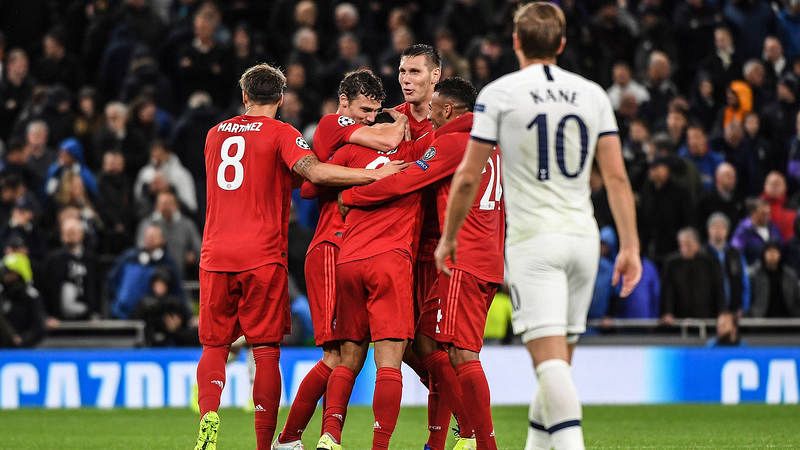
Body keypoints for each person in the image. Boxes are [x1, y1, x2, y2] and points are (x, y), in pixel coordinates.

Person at [434, 4, 641, 450]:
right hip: (584, 240)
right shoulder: (593, 94)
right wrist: (630, 246)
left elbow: (468, 176)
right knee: (558, 365)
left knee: (550, 368)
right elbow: (617, 178)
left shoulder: (500, 93)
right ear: (562, 44)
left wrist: (449, 238)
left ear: (516, 42)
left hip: (535, 244)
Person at [193, 63, 405, 450]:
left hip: (214, 253)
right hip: (261, 254)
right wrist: (374, 175)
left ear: (244, 97)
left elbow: (255, 174)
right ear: (280, 99)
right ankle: (266, 444)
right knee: (266, 350)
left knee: (214, 346)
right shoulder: (282, 134)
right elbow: (314, 173)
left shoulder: (213, 135)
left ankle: (208, 416)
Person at [337, 77, 499, 450]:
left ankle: (478, 439)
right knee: (428, 343)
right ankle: (439, 441)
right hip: (487, 255)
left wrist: (354, 193)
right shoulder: (491, 144)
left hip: (461, 257)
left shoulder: (455, 142)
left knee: (458, 352)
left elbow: (406, 179)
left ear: (446, 109)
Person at [275, 69, 408, 448]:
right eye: (363, 109)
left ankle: (313, 438)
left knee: (349, 354)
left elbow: (310, 186)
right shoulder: (334, 124)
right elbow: (309, 187)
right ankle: (298, 438)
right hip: (334, 247)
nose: (368, 117)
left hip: (355, 251)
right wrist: (396, 124)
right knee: (337, 355)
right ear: (344, 101)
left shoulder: (349, 147)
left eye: (374, 111)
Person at [108, 224, 184, 319]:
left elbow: (178, 292)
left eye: (153, 237)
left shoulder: (168, 264)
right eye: (148, 236)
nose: (150, 240)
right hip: (122, 312)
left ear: (163, 240)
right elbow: (112, 280)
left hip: (152, 315)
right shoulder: (129, 258)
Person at [39, 217, 99, 324]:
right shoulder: (53, 260)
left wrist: (95, 312)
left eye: (73, 232)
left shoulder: (91, 259)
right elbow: (43, 289)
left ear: (81, 234)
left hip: (86, 321)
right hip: (57, 321)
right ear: (62, 235)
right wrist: (46, 316)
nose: (70, 236)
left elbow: (98, 287)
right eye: (67, 232)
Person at [661, 228, 727, 322]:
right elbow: (668, 290)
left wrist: (722, 313)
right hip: (679, 318)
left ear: (697, 244)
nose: (684, 249)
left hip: (706, 317)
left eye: (688, 244)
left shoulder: (710, 262)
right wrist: (667, 312)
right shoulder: (672, 264)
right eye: (681, 245)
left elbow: (719, 289)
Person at [136, 190, 201, 280]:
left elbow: (199, 249)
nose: (165, 207)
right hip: (153, 275)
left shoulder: (187, 224)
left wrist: (192, 255)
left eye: (169, 203)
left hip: (182, 274)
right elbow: (140, 247)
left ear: (176, 205)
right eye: (162, 203)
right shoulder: (148, 224)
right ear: (156, 206)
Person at [706, 213, 750, 315]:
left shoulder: (736, 253)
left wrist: (743, 307)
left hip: (734, 310)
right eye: (715, 227)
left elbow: (744, 281)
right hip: (709, 311)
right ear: (708, 230)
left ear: (727, 231)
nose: (718, 231)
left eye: (722, 227)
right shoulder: (702, 254)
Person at [749, 242, 800, 318]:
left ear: (780, 254)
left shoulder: (790, 275)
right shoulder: (754, 275)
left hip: (789, 319)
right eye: (769, 251)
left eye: (775, 251)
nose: (772, 255)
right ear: (764, 254)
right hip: (760, 320)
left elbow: (797, 297)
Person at [731, 198, 783, 267]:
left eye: (768, 213)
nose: (767, 217)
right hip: (752, 272)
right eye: (763, 214)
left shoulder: (773, 228)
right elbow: (735, 254)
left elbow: (781, 247)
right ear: (753, 213)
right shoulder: (743, 231)